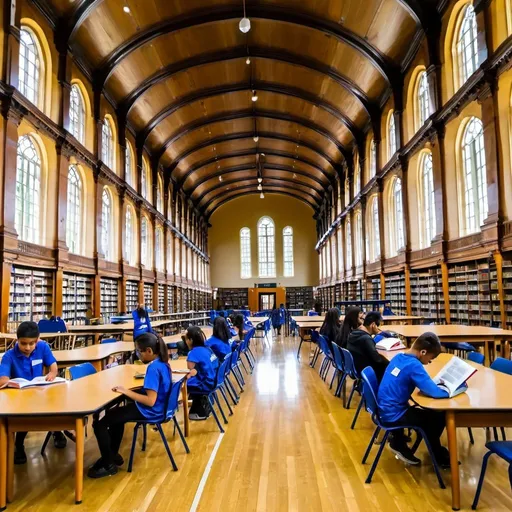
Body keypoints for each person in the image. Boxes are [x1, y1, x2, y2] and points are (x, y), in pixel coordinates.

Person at [88, 332, 171, 478]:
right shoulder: (163, 364)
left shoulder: (153, 369)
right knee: (116, 417)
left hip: (150, 410)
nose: (138, 355)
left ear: (149, 351)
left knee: (100, 424)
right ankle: (112, 454)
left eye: (139, 351)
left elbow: (150, 401)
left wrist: (126, 391)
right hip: (159, 407)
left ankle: (108, 465)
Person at [378, 332, 450, 467]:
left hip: (384, 408)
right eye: (431, 357)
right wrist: (451, 390)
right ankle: (437, 456)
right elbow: (435, 392)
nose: (429, 361)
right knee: (438, 417)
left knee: (429, 416)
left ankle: (400, 439)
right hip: (395, 414)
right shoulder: (414, 365)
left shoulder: (399, 357)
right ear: (423, 352)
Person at [0, 321, 66, 464]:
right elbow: (3, 379)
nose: (28, 347)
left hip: (40, 390)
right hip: (20, 397)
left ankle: (57, 431)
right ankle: (19, 444)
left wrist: (53, 373)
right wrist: (8, 382)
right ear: (17, 340)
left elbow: (53, 366)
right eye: (23, 343)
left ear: (38, 340)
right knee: (26, 414)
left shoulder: (43, 347)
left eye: (32, 343)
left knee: (55, 403)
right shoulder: (9, 356)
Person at [185, 326, 219, 420]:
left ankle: (176, 405)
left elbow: (190, 370)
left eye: (186, 339)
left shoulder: (193, 353)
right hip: (214, 380)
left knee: (180, 384)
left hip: (205, 384)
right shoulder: (208, 349)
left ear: (191, 340)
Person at [347, 311, 389, 382]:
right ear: (373, 324)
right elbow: (377, 359)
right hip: (366, 370)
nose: (379, 329)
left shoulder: (354, 333)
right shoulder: (366, 339)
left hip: (356, 367)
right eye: (378, 326)